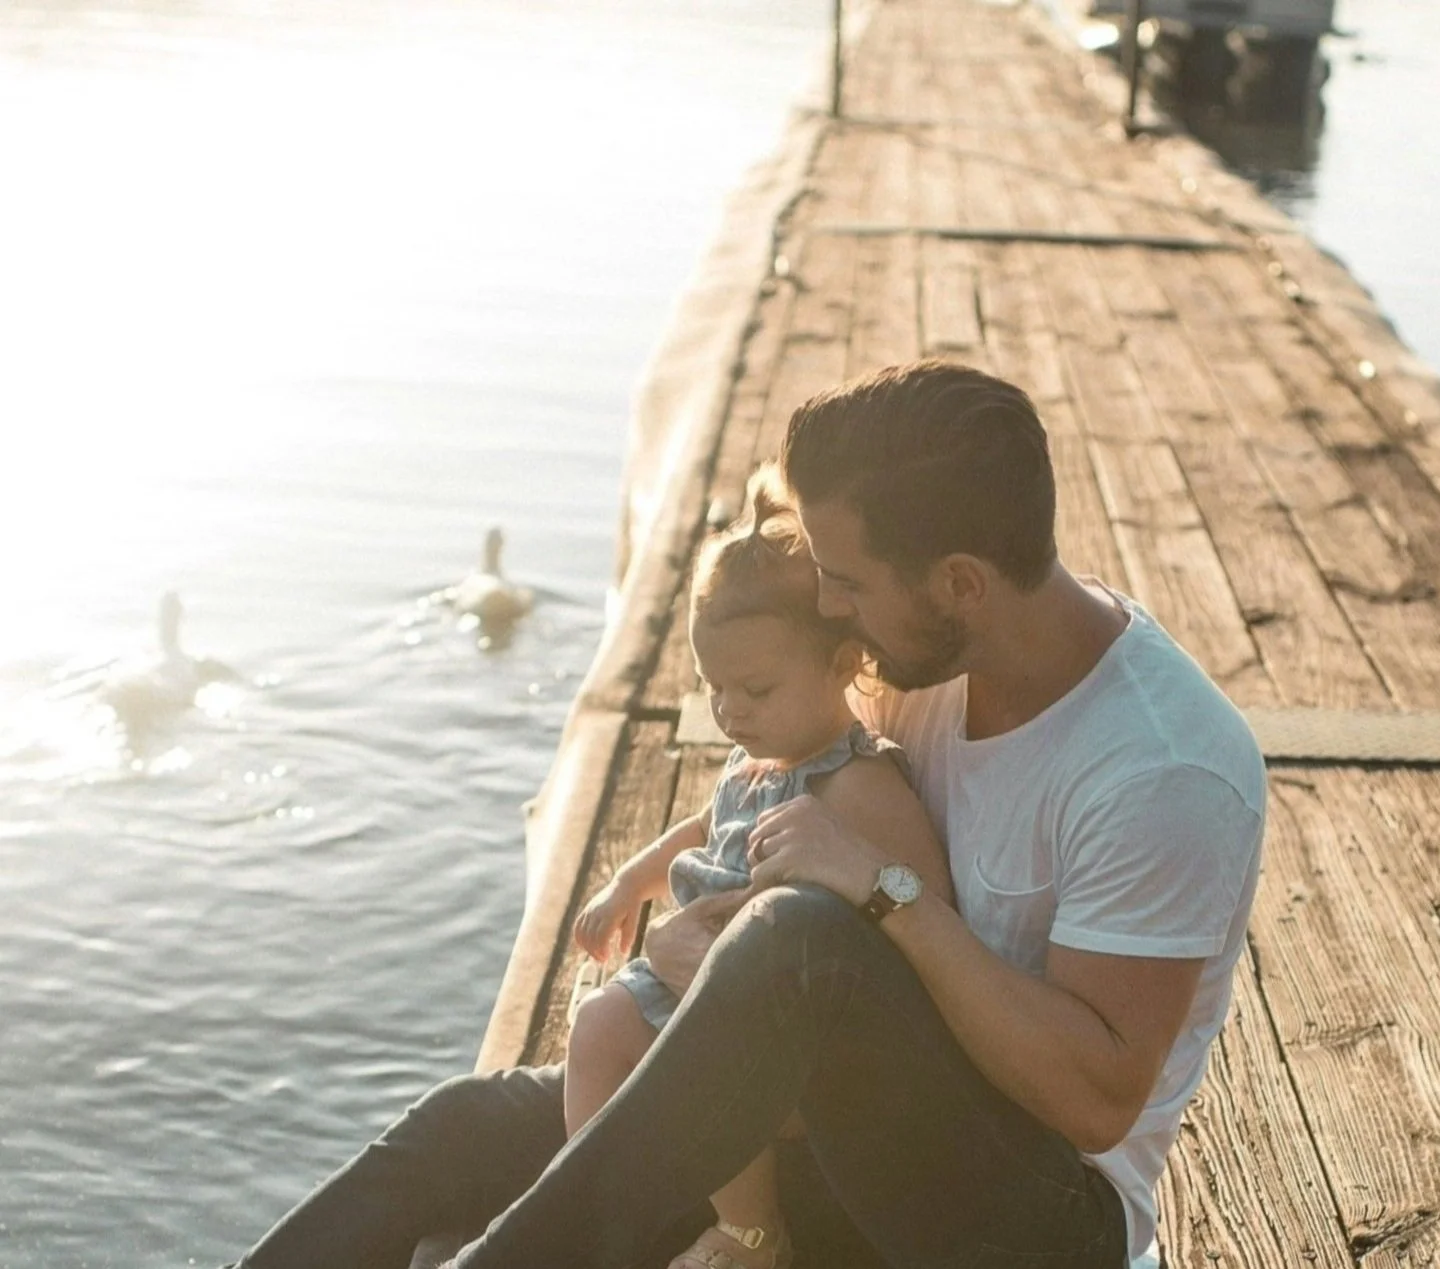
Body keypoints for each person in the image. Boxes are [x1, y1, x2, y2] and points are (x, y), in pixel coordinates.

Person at [226, 360, 1265, 1269]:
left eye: (847, 583)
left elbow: (1094, 1102)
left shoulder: (1162, 770)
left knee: (802, 939)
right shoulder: (925, 655)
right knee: (467, 1130)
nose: (827, 609)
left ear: (959, 584)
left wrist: (884, 897)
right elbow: (782, 795)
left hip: (1029, 1218)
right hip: (830, 1122)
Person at [565, 470, 952, 1269]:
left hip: (777, 1009)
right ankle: (596, 1207)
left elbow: (927, 905)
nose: (731, 711)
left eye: (756, 688)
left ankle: (751, 1229)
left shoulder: (857, 781)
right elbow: (699, 828)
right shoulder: (754, 762)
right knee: (595, 1026)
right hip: (691, 966)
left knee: (717, 1062)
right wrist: (627, 884)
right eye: (713, 689)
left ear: (845, 663)